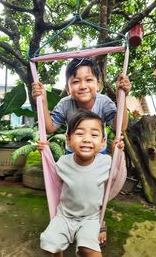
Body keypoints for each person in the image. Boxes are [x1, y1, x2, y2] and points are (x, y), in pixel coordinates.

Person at [32, 57, 130, 244]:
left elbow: (120, 127)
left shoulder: (104, 102)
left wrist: (121, 98)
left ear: (98, 84)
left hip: (99, 155)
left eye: (89, 80)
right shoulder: (65, 103)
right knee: (73, 190)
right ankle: (68, 219)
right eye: (76, 81)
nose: (83, 85)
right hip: (73, 154)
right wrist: (42, 100)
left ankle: (98, 221)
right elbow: (50, 127)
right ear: (68, 88)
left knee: (96, 192)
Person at [39, 109, 124, 257]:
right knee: (49, 244)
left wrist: (117, 152)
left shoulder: (106, 162)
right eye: (79, 134)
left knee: (89, 251)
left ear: (103, 142)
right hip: (64, 216)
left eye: (94, 135)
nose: (86, 139)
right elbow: (53, 177)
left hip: (90, 218)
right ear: (68, 140)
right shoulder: (63, 162)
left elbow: (118, 174)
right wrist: (45, 152)